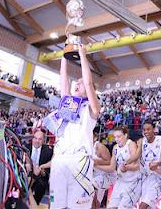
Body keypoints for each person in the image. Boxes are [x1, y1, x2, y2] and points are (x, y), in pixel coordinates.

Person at [45, 44, 100, 209]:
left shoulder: (92, 108)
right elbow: (63, 78)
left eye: (81, 83)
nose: (78, 83)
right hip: (60, 159)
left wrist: (83, 55)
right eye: (78, 81)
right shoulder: (67, 102)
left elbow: (89, 84)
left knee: (77, 206)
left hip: (80, 161)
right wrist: (64, 56)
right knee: (56, 205)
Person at [96, 126, 141, 208]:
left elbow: (137, 166)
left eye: (119, 136)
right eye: (115, 137)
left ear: (126, 135)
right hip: (120, 181)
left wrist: (127, 167)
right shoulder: (115, 148)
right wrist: (96, 165)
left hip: (133, 182)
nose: (116, 139)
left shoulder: (131, 144)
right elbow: (111, 168)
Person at [126, 120, 161, 209]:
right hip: (145, 177)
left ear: (154, 129)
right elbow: (136, 155)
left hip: (157, 177)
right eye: (144, 130)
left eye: (148, 129)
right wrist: (125, 163)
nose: (146, 132)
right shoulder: (142, 141)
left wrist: (157, 164)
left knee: (143, 206)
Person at [26, 129, 53, 205]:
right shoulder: (26, 148)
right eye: (35, 138)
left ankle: (35, 203)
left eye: (40, 139)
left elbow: (50, 166)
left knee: (42, 185)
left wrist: (43, 171)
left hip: (41, 174)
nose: (37, 141)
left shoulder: (48, 151)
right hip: (28, 174)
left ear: (43, 140)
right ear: (32, 138)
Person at [92, 133, 116, 208]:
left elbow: (109, 162)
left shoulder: (99, 146)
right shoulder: (84, 147)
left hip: (106, 175)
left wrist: (94, 162)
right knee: (97, 203)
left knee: (89, 187)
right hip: (96, 176)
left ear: (95, 137)